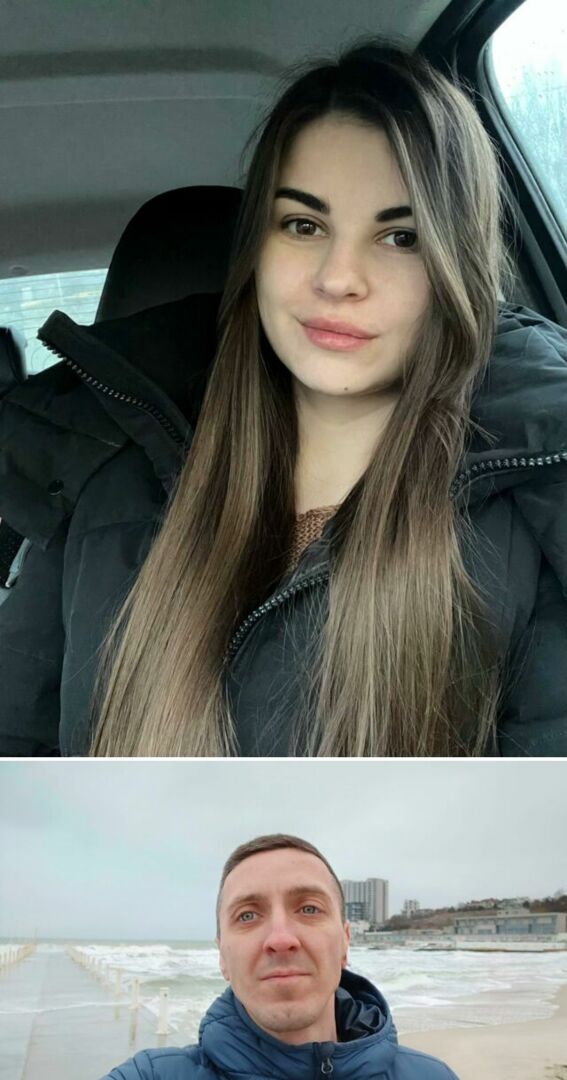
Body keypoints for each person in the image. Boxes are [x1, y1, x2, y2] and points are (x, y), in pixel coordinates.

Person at [1, 40, 566, 757]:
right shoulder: (99, 484)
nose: (338, 278)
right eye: (304, 225)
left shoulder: (534, 511)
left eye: (401, 237)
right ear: (256, 251)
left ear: (457, 269)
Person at [102, 833, 459, 1080]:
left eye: (309, 908)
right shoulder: (150, 1075)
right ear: (222, 956)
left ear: (345, 942)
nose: (281, 939)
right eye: (247, 915)